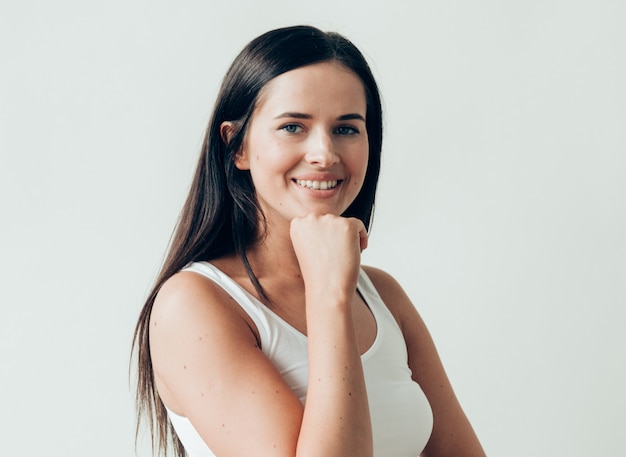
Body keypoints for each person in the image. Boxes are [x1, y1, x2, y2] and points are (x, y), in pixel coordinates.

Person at [132, 25, 486, 457]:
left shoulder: (383, 297)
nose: (324, 153)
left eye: (347, 129)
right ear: (236, 146)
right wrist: (328, 294)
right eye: (293, 127)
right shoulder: (193, 305)